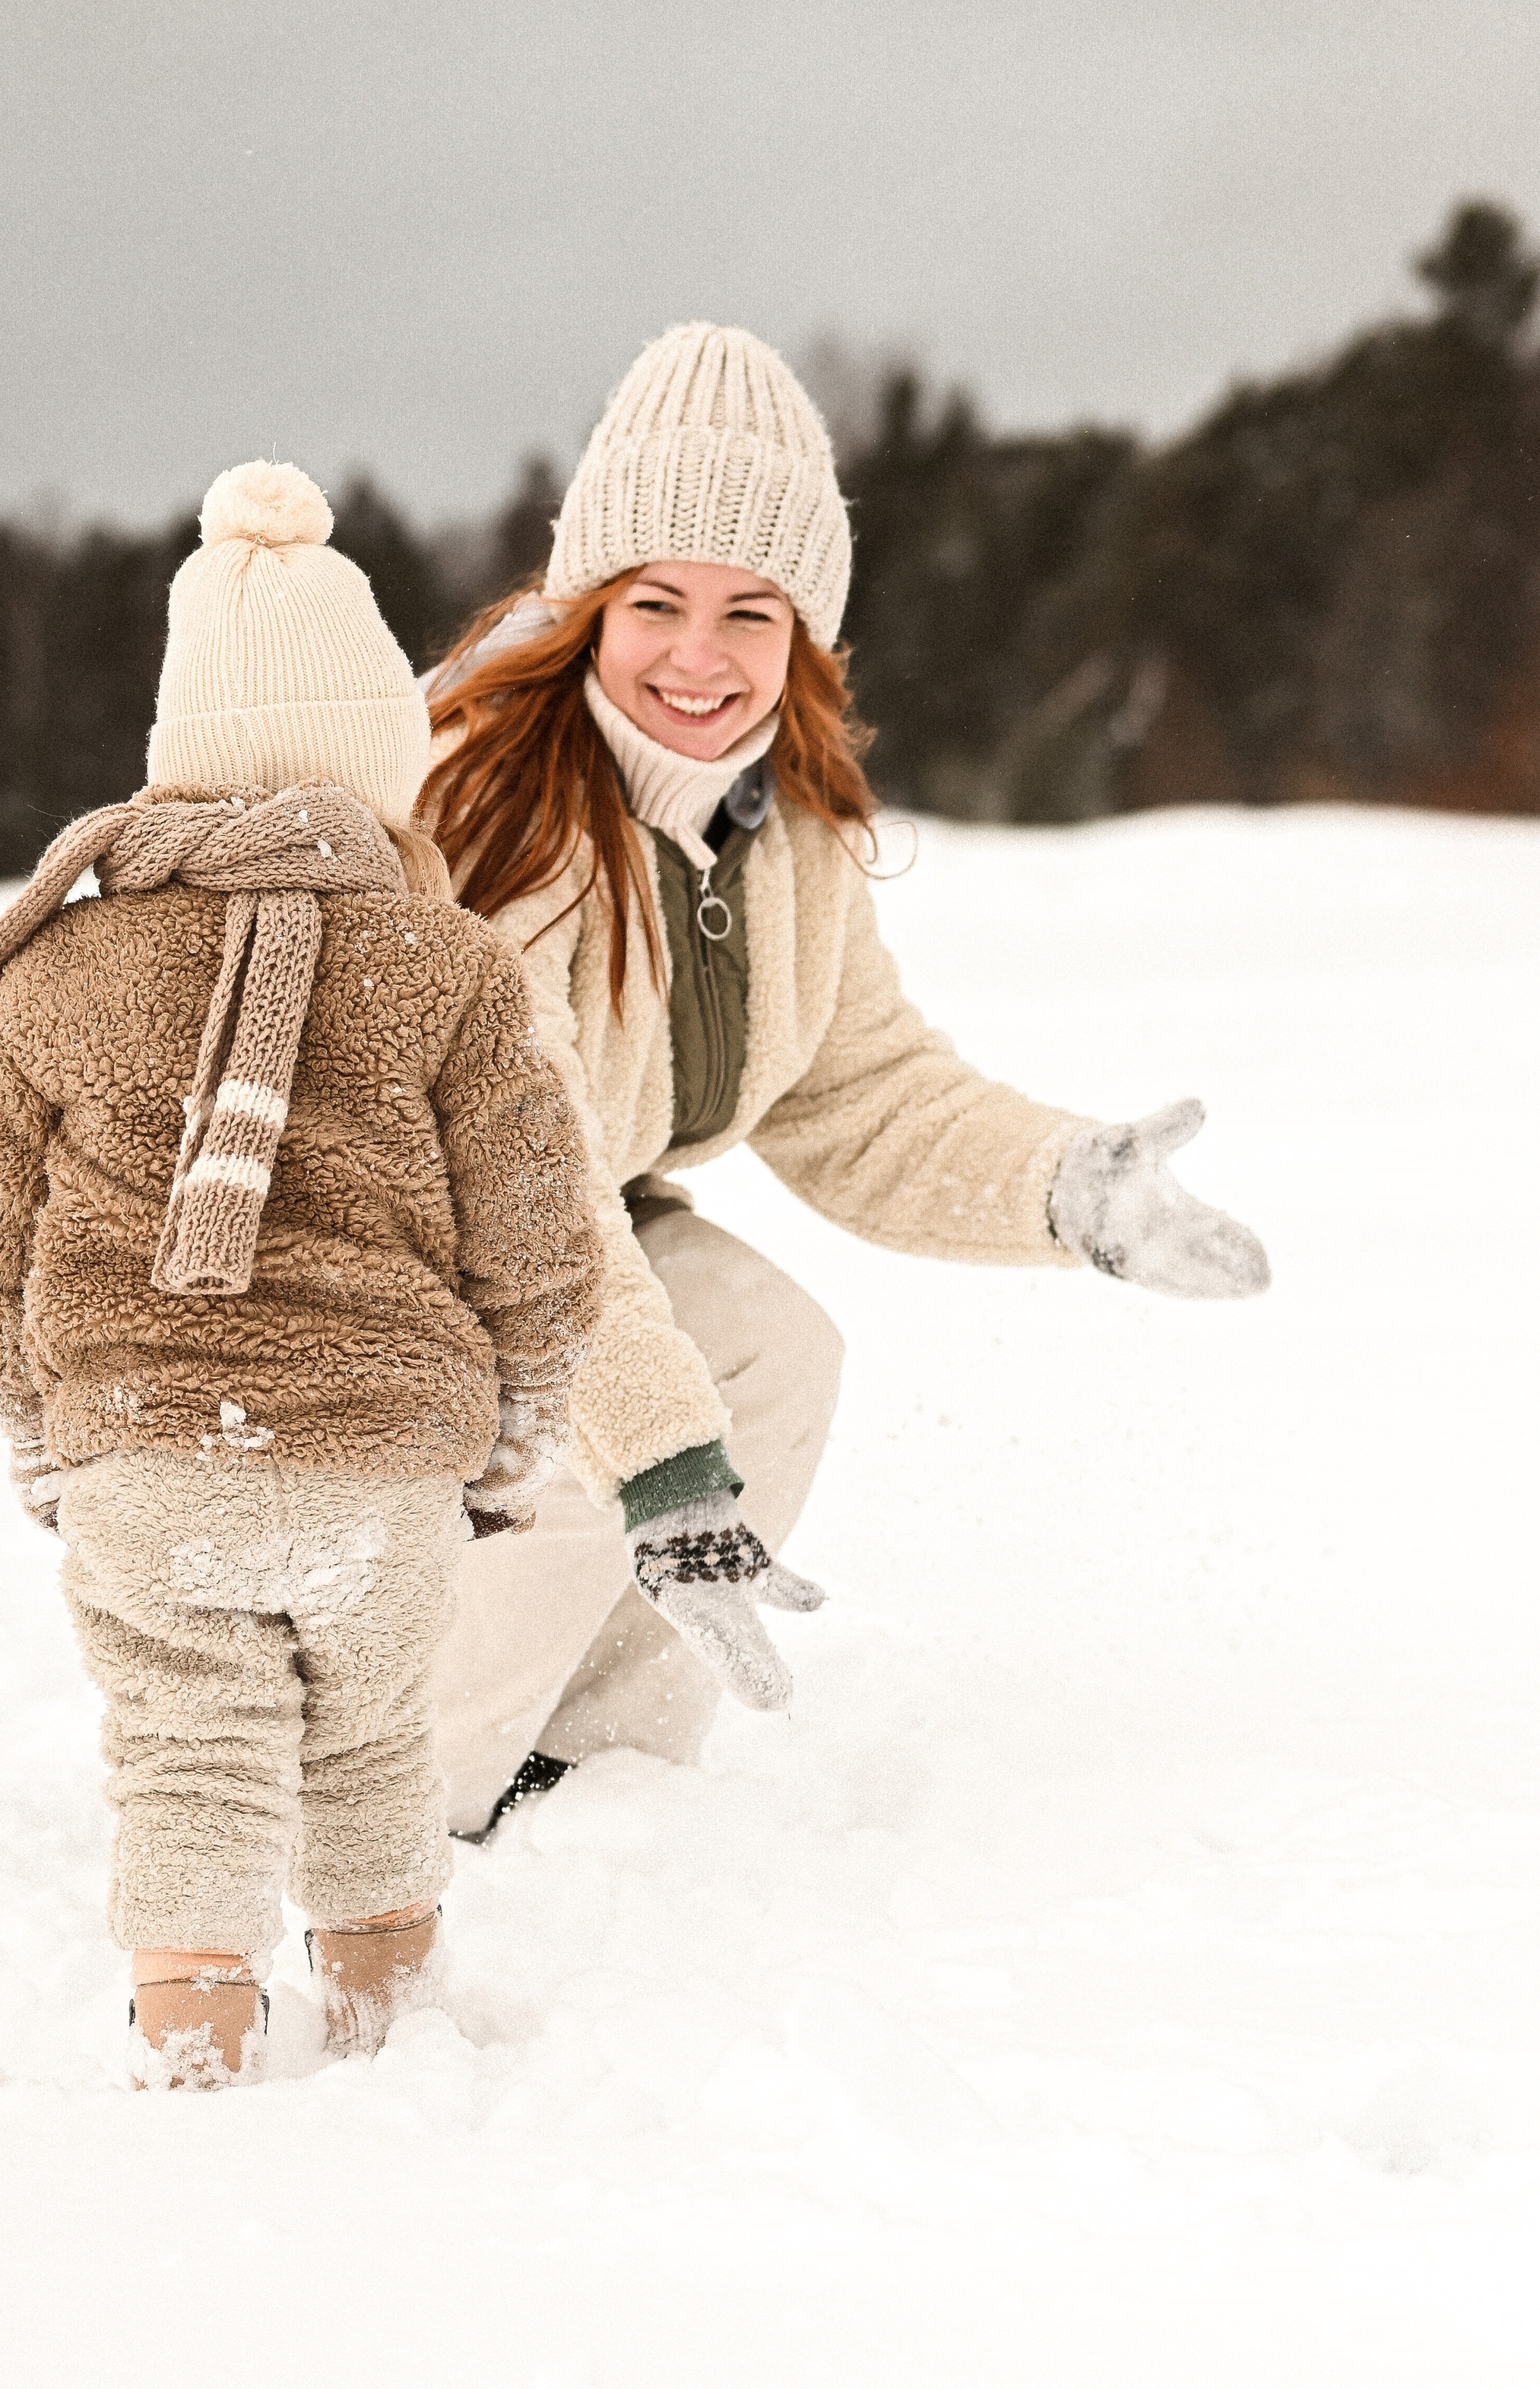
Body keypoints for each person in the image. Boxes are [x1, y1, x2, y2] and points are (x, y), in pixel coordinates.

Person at [421, 323, 1268, 1840]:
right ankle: (385, 1815)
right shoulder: (490, 812)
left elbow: (859, 1096)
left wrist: (1063, 1189)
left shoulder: (780, 835)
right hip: (363, 1247)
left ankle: (576, 1779)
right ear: (584, 606)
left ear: (804, 633)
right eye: (656, 600)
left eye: (751, 610)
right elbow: (521, 1202)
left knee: (767, 1351)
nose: (701, 654)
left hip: (561, 1231)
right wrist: (660, 1454)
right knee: (577, 1433)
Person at [0, 461, 600, 2084]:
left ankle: (194, 2054)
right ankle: (382, 2038)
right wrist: (518, 1424)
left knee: (187, 1750)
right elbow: (535, 1234)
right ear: (379, 764)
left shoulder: (51, 969)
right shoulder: (447, 965)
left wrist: (32, 1432)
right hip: (382, 1460)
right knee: (367, 1745)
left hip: (140, 1447)